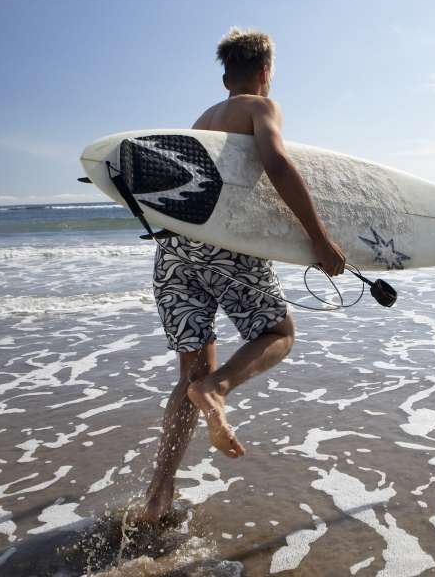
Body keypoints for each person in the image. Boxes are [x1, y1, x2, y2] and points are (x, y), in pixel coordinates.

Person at [139, 28, 346, 522]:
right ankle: (220, 389)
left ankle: (157, 496)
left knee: (189, 375)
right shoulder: (259, 108)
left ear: (226, 73)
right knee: (278, 332)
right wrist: (318, 238)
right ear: (266, 72)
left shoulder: (201, 122)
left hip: (173, 252)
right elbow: (275, 162)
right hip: (227, 246)